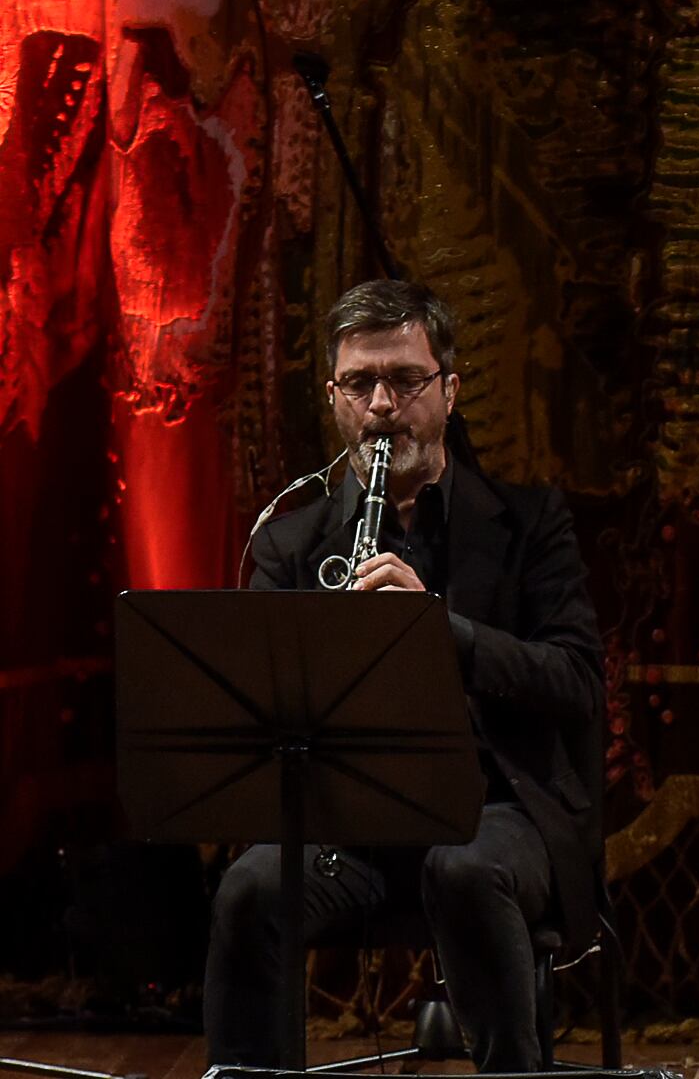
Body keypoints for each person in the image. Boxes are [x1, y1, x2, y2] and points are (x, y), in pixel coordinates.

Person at [204, 279, 604, 1071]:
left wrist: (440, 633)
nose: (382, 405)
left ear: (449, 390)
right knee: (250, 890)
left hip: (495, 809)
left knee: (464, 868)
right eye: (360, 384)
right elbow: (264, 718)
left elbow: (578, 683)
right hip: (348, 824)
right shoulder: (290, 545)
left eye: (405, 380)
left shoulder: (529, 523)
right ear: (334, 396)